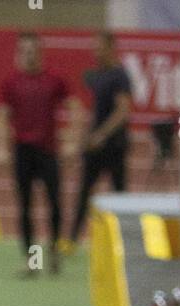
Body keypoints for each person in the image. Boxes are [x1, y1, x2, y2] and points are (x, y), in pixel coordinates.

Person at [0, 33, 79, 275]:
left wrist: (72, 141)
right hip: (22, 151)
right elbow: (1, 115)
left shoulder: (54, 80)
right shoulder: (11, 82)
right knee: (25, 206)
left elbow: (75, 109)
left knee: (55, 204)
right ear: (19, 53)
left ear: (40, 52)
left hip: (48, 151)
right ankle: (31, 259)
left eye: (32, 50)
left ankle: (52, 251)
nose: (29, 55)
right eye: (24, 50)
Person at [66, 32, 133, 248]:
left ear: (111, 48)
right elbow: (94, 111)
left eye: (99, 48)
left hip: (114, 145)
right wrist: (87, 135)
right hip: (94, 145)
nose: (95, 52)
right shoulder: (97, 76)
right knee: (84, 191)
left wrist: (102, 134)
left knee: (119, 194)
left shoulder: (120, 76)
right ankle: (72, 239)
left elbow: (123, 111)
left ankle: (124, 240)